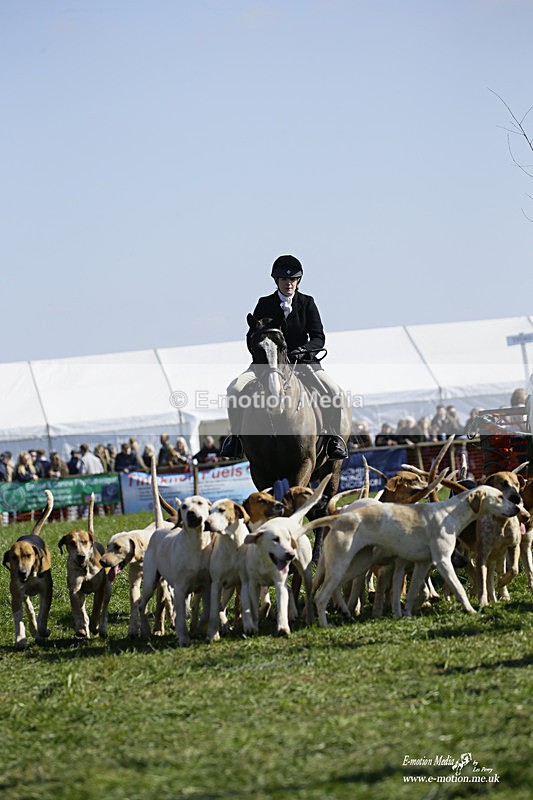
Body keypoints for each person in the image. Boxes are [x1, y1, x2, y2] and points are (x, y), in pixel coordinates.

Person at [221, 255, 348, 460]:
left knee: (334, 391)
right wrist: (263, 356)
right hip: (266, 364)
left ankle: (333, 438)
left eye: (293, 280)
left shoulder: (307, 303)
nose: (289, 283)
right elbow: (251, 336)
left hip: (302, 362)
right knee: (234, 389)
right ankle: (235, 439)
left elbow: (318, 337)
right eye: (284, 280)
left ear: (298, 281)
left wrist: (303, 350)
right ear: (276, 281)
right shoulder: (264, 303)